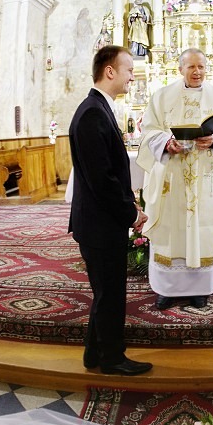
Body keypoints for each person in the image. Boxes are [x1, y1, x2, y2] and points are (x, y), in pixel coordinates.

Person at [68, 45, 152, 376]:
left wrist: (128, 203)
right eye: (129, 70)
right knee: (111, 293)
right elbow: (100, 179)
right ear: (110, 71)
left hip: (101, 220)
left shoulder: (98, 108)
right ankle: (112, 358)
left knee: (104, 290)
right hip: (99, 224)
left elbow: (107, 173)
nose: (133, 76)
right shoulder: (91, 113)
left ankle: (94, 353)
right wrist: (130, 214)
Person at [137, 48, 213, 310]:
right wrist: (166, 142)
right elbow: (149, 130)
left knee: (202, 229)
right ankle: (166, 290)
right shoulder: (162, 97)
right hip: (171, 178)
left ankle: (200, 289)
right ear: (180, 69)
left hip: (204, 177)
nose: (197, 72)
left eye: (202, 67)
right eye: (191, 67)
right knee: (171, 231)